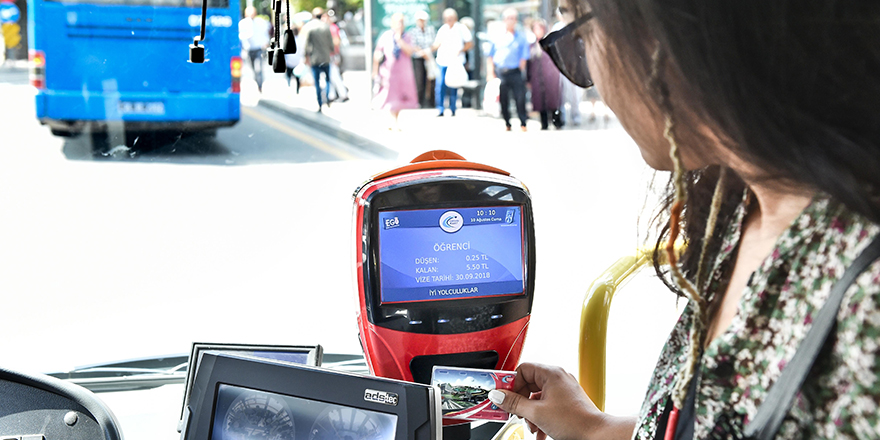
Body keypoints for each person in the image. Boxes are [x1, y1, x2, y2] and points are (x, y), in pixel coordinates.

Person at [485, 2, 880, 439]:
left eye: (579, 37)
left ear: (664, 31)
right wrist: (593, 429)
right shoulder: (741, 203)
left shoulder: (867, 292)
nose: (588, 76)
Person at [371, 13, 419, 131]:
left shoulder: (407, 37)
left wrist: (399, 40)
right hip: (389, 72)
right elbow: (377, 53)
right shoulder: (386, 36)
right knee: (388, 96)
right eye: (397, 22)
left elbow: (409, 52)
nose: (400, 25)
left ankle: (395, 120)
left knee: (400, 98)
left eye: (402, 22)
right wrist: (375, 70)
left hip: (403, 72)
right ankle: (392, 120)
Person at [486, 8, 530, 131]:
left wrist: (520, 70)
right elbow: (490, 56)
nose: (511, 21)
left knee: (520, 99)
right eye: (508, 18)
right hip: (501, 73)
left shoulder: (521, 37)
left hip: (515, 72)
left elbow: (524, 57)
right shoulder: (496, 36)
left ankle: (523, 123)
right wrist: (490, 73)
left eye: (513, 18)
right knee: (503, 100)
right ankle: (507, 123)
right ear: (504, 20)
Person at [430, 8, 472, 117]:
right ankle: (440, 108)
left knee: (454, 85)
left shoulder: (461, 29)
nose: (449, 21)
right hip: (443, 61)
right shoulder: (442, 29)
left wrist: (460, 50)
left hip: (455, 62)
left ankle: (453, 108)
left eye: (451, 18)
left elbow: (469, 43)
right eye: (447, 19)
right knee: (440, 85)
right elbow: (436, 44)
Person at [526, 19, 562, 130]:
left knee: (553, 99)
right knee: (540, 100)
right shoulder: (532, 46)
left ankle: (557, 122)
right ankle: (544, 123)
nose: (538, 30)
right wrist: (528, 79)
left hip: (551, 76)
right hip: (537, 76)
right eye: (535, 28)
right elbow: (528, 63)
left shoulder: (551, 43)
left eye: (540, 28)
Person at [300, 7, 334, 112]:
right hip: (325, 57)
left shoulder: (310, 27)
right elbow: (331, 44)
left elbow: (307, 45)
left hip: (315, 59)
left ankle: (320, 102)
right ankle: (327, 98)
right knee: (328, 80)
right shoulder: (325, 27)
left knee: (317, 82)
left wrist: (305, 57)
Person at [238, 6, 271, 93]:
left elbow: (265, 34)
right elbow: (240, 36)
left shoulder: (261, 22)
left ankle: (260, 85)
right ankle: (257, 81)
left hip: (259, 48)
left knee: (258, 68)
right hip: (249, 49)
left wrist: (266, 43)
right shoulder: (242, 23)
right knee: (253, 68)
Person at [409, 10, 436, 109]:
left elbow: (434, 43)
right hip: (418, 58)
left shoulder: (431, 30)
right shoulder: (413, 31)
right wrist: (423, 53)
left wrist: (428, 52)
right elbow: (413, 45)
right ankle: (419, 102)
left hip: (429, 58)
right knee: (419, 81)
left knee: (431, 79)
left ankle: (431, 102)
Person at [282, 21, 303, 94]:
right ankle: (297, 90)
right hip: (297, 61)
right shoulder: (300, 39)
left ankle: (289, 87)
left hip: (289, 61)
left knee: (288, 76)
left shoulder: (286, 39)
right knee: (297, 77)